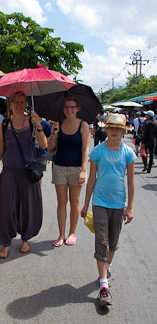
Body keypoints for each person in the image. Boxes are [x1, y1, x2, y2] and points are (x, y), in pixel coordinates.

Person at [81, 113, 136, 307]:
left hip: (118, 203)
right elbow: (92, 179)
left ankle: (108, 267)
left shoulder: (128, 153)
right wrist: (86, 203)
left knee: (113, 242)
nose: (114, 131)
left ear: (123, 131)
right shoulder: (98, 151)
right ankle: (104, 286)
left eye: (118, 128)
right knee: (102, 242)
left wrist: (129, 207)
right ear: (106, 129)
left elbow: (130, 181)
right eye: (111, 127)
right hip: (100, 202)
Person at [0, 91, 47, 259]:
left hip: (27, 174)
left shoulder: (33, 121)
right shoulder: (4, 124)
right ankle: (6, 242)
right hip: (9, 172)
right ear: (11, 103)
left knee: (27, 208)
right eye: (17, 102)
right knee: (7, 208)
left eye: (23, 102)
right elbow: (0, 148)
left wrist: (38, 125)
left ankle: (25, 239)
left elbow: (44, 145)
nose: (20, 105)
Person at [47, 96, 90, 247]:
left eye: (72, 107)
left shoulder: (83, 125)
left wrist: (84, 170)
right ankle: (61, 234)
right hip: (59, 167)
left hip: (76, 168)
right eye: (66, 107)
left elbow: (85, 149)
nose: (69, 110)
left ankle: (72, 233)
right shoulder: (58, 124)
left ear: (77, 108)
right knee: (61, 203)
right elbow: (50, 147)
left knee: (74, 202)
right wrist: (54, 133)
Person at [36, 118, 52, 184]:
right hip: (29, 153)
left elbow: (49, 139)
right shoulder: (27, 122)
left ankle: (38, 192)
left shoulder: (46, 124)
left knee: (38, 175)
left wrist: (48, 153)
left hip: (41, 153)